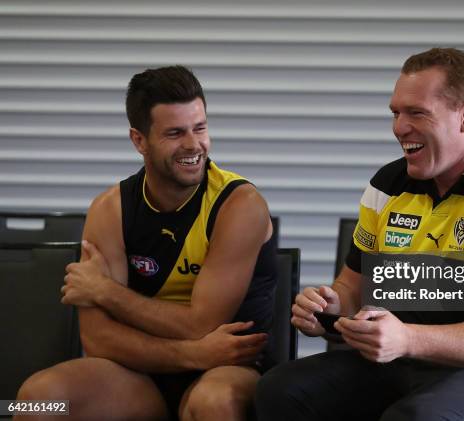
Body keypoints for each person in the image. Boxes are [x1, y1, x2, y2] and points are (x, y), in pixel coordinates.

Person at [256, 48, 464, 421]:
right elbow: (351, 291)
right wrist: (329, 308)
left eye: (417, 113)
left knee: (418, 417)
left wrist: (406, 338)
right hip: (401, 363)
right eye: (396, 112)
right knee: (280, 391)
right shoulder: (388, 185)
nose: (399, 127)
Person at [17, 65, 277, 421]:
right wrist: (195, 354)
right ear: (139, 140)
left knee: (214, 402)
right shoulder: (109, 210)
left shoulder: (240, 205)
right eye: (174, 133)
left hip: (229, 367)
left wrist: (105, 291)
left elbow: (201, 324)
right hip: (140, 374)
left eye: (199, 128)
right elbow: (98, 340)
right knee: (36, 400)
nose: (193, 145)